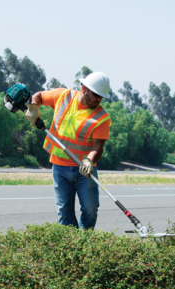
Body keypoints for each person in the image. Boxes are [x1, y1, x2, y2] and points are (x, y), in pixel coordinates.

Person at [25, 72, 111, 230]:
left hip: (84, 170)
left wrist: (89, 161)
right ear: (84, 88)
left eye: (101, 97)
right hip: (59, 167)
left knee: (90, 211)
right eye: (96, 95)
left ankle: (85, 244)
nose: (99, 99)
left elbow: (98, 148)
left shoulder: (102, 118)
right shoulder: (63, 96)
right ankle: (71, 246)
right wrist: (33, 107)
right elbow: (38, 96)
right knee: (64, 212)